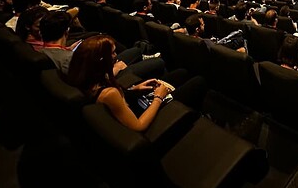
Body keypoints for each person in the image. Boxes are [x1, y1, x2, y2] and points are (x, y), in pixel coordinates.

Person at [66, 34, 207, 132]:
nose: (116, 56)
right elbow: (138, 126)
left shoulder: (88, 79)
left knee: (181, 72)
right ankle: (192, 117)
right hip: (148, 114)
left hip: (137, 102)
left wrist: (136, 88)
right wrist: (159, 97)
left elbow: (120, 101)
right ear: (102, 60)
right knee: (199, 82)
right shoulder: (109, 94)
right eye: (113, 53)